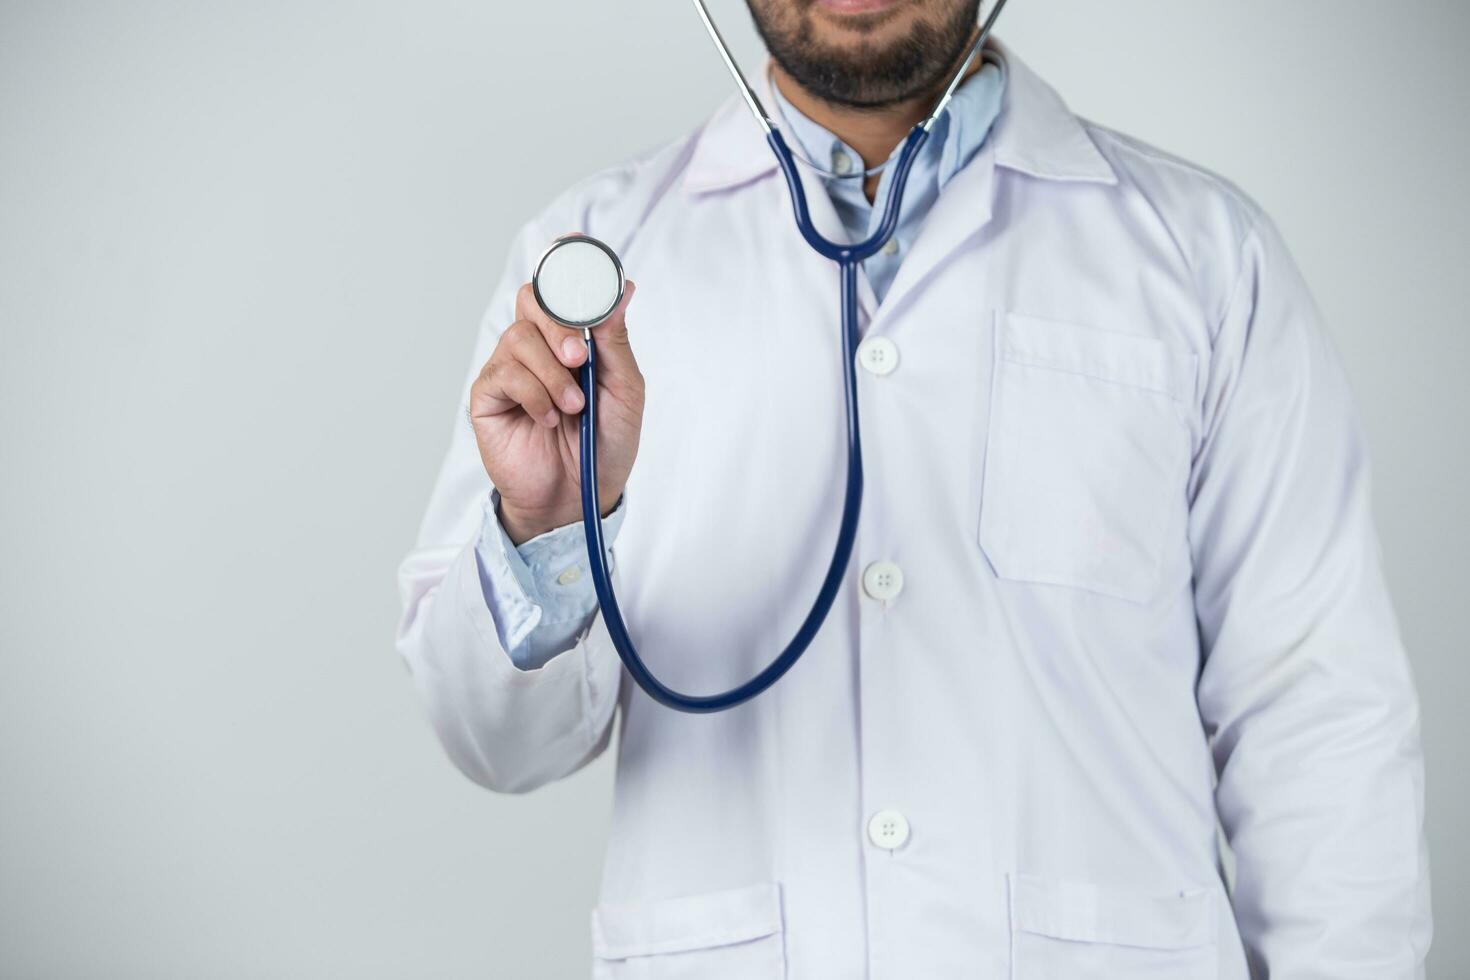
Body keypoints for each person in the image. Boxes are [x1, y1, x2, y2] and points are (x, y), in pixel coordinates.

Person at [396, 1, 1432, 975]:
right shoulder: (589, 256)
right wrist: (544, 528)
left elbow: (1314, 712)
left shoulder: (1207, 258)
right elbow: (498, 743)